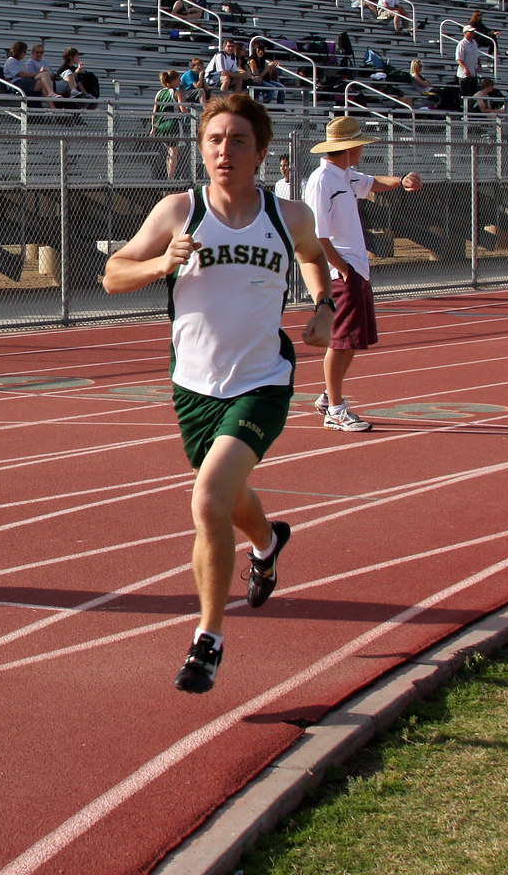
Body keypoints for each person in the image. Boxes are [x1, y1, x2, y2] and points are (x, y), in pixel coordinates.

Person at [102, 94, 333, 693]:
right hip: (194, 388)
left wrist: (324, 306)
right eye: (214, 140)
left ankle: (208, 638)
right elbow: (111, 276)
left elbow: (315, 260)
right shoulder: (178, 211)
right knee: (229, 499)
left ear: (260, 151)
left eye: (237, 141)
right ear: (200, 148)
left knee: (207, 500)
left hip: (262, 381)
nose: (223, 150)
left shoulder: (289, 217)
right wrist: (160, 266)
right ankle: (267, 541)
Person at [303, 115, 422, 432]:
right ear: (348, 147)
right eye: (358, 145)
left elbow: (372, 183)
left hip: (356, 269)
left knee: (352, 339)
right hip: (342, 273)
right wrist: (343, 271)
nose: (362, 151)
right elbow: (318, 236)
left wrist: (401, 180)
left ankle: (331, 397)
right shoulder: (322, 181)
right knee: (340, 340)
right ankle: (335, 409)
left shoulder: (345, 176)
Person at [151, 70, 190, 179]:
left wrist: (153, 127)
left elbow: (155, 112)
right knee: (173, 152)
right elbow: (183, 110)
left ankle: (169, 175)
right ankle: (170, 177)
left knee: (170, 152)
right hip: (173, 123)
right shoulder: (177, 93)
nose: (179, 81)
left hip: (162, 125)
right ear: (172, 81)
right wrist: (192, 115)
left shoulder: (159, 93)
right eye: (178, 79)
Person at [2, 41, 60, 108]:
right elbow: (22, 75)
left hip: (23, 81)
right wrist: (37, 74)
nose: (25, 54)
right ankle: (51, 99)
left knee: (44, 75)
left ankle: (52, 102)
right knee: (41, 83)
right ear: (19, 51)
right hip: (15, 83)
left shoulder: (20, 62)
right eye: (24, 52)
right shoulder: (11, 61)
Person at [455, 25, 480, 100]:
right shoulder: (462, 44)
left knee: (474, 93)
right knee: (465, 93)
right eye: (471, 32)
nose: (473, 33)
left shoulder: (474, 43)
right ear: (465, 32)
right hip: (464, 75)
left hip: (473, 72)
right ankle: (463, 108)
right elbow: (459, 59)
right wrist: (466, 68)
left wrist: (479, 63)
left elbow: (477, 55)